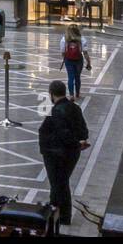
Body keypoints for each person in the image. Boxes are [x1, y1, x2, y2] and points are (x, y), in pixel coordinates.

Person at [38, 79, 89, 227]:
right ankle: (54, 208)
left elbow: (63, 133)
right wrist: (80, 142)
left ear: (51, 94)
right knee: (59, 183)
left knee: (59, 183)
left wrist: (74, 143)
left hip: (57, 154)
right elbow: (83, 130)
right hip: (72, 153)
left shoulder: (56, 111)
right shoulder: (75, 108)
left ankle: (63, 216)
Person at [59, 23, 91, 99]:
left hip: (68, 60)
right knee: (77, 77)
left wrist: (66, 58)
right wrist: (89, 63)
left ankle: (71, 95)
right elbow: (85, 53)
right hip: (79, 60)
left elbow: (63, 52)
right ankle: (77, 94)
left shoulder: (64, 39)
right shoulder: (82, 39)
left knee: (70, 77)